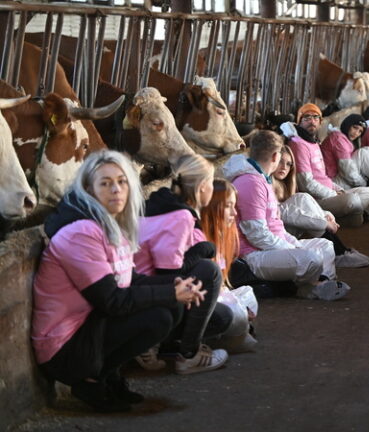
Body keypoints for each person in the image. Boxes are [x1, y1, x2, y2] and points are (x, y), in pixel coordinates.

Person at [32, 150, 206, 412]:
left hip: (88, 332)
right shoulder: (81, 231)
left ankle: (107, 374)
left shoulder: (109, 224)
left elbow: (129, 279)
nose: (116, 189)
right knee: (159, 316)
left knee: (172, 308)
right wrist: (170, 294)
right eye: (105, 183)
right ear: (89, 189)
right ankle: (90, 380)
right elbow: (111, 300)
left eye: (122, 181)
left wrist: (176, 287)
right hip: (63, 348)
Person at [222, 129, 350, 301]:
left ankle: (317, 284)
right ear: (275, 157)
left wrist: (294, 244)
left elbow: (276, 227)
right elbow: (257, 235)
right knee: (311, 260)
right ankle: (310, 288)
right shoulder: (250, 182)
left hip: (270, 246)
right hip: (253, 255)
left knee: (324, 245)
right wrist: (293, 249)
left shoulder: (261, 178)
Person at [133, 154, 231, 375]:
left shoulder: (159, 204)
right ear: (203, 186)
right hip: (147, 298)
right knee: (209, 272)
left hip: (141, 291)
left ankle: (154, 344)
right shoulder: (179, 215)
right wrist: (202, 251)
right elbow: (170, 272)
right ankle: (189, 355)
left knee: (222, 317)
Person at [272, 145, 369, 268]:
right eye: (280, 162)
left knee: (302, 198)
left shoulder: (286, 184)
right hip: (276, 235)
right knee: (302, 198)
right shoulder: (267, 183)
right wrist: (323, 222)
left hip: (290, 228)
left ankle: (341, 251)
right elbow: (283, 214)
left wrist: (325, 215)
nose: (284, 167)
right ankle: (339, 253)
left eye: (289, 164)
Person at [282, 103, 369, 227]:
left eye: (316, 118)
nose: (312, 121)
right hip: (316, 199)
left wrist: (339, 189)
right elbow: (306, 184)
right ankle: (345, 217)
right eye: (307, 118)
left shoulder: (313, 142)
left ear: (320, 122)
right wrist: (332, 194)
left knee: (367, 192)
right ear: (299, 121)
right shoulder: (298, 144)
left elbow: (323, 177)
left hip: (329, 190)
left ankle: (344, 217)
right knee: (352, 200)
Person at [199, 179, 260, 353]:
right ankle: (213, 341)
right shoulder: (199, 239)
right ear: (211, 206)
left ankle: (232, 335)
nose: (234, 212)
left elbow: (223, 285)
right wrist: (236, 305)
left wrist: (238, 302)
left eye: (235, 206)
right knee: (237, 313)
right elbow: (207, 291)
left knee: (248, 294)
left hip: (217, 298)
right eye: (228, 206)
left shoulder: (220, 236)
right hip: (202, 303)